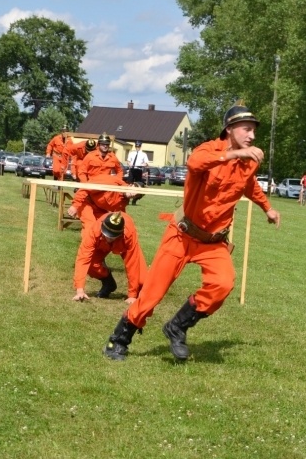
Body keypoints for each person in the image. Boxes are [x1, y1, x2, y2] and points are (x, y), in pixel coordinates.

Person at [102, 101, 281, 361]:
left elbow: (249, 185)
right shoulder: (210, 150)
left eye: (254, 130)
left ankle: (178, 327)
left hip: (213, 241)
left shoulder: (248, 162)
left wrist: (268, 208)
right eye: (246, 129)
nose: (252, 136)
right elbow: (195, 163)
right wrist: (232, 155)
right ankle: (119, 339)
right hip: (182, 235)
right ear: (229, 129)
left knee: (223, 284)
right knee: (152, 293)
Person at [72, 211, 147, 303]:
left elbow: (132, 264)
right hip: (101, 243)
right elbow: (83, 259)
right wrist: (80, 290)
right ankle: (108, 282)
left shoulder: (129, 234)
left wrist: (132, 295)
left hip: (123, 243)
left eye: (112, 237)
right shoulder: (94, 230)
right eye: (106, 234)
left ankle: (140, 291)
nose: (108, 238)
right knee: (91, 265)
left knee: (142, 280)